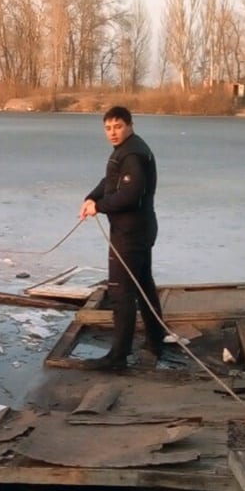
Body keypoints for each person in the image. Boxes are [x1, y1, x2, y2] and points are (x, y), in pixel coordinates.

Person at [78, 106, 165, 371]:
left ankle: (118, 357)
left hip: (131, 232)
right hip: (138, 228)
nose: (112, 133)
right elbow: (110, 180)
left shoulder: (134, 154)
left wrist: (99, 207)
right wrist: (91, 196)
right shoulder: (125, 151)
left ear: (130, 125)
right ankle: (155, 341)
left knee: (121, 292)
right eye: (108, 128)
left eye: (118, 126)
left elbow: (131, 194)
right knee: (143, 286)